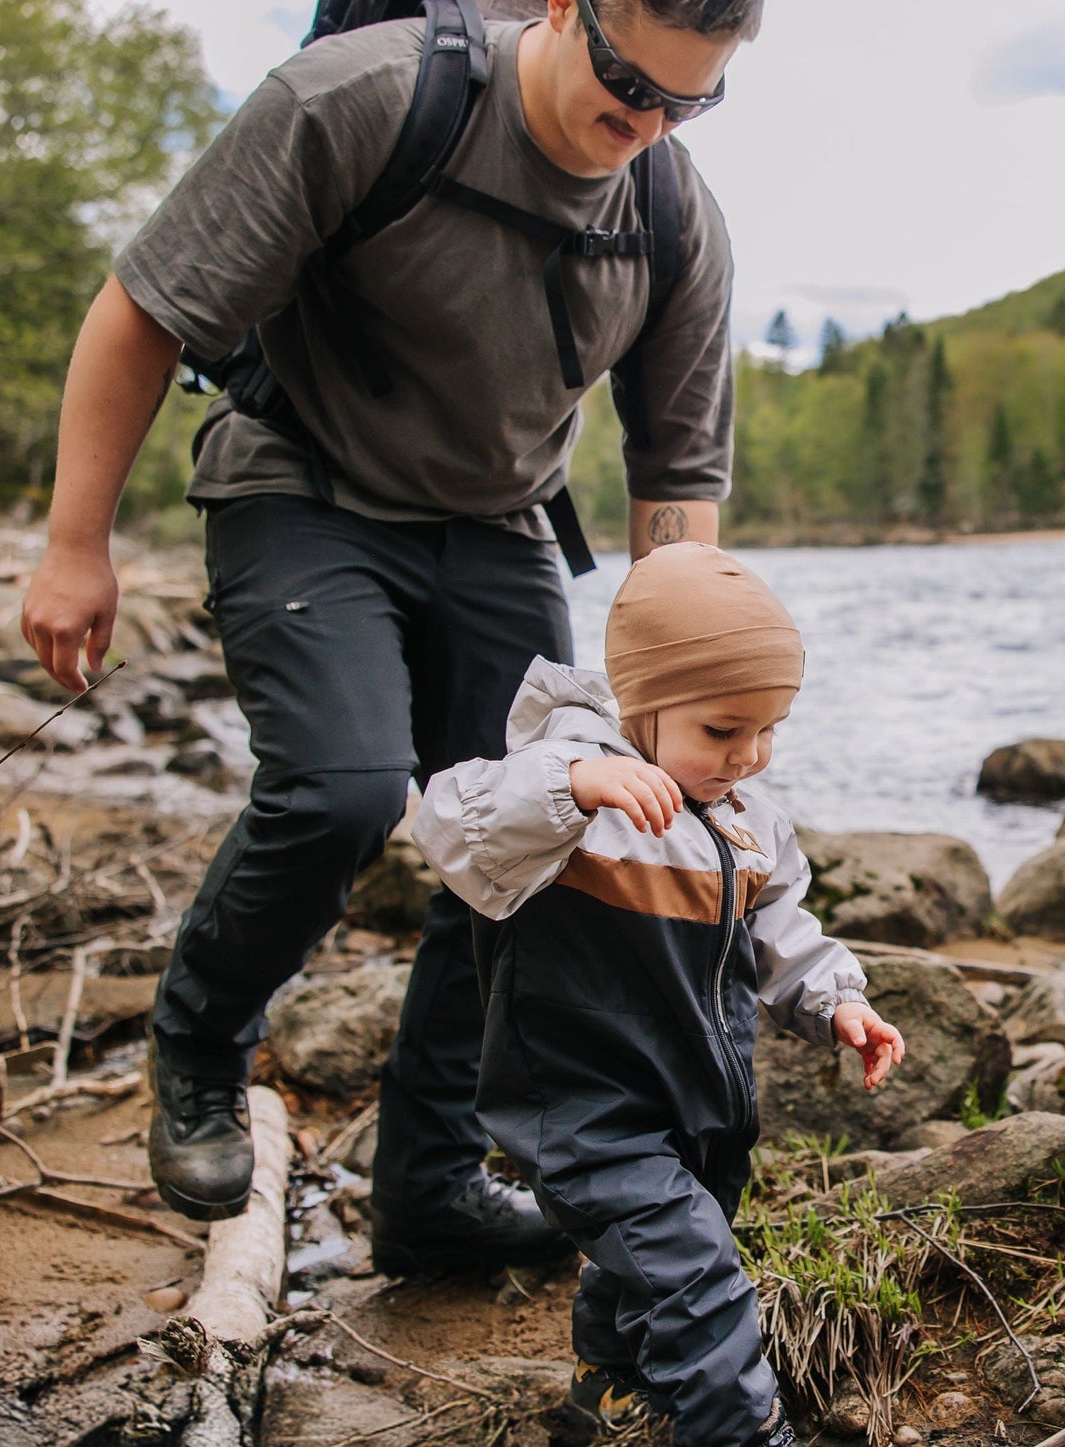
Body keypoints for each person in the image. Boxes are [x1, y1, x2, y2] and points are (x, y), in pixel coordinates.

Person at [18, 0, 758, 1271]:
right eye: (625, 82)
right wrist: (74, 545)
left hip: (499, 522)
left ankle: (426, 1189)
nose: (639, 125)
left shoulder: (672, 217)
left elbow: (676, 482)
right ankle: (199, 1043)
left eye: (684, 104)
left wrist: (673, 694)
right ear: (563, 11)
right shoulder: (358, 99)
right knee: (344, 788)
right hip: (303, 483)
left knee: (540, 831)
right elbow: (144, 309)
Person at [411, 542, 907, 1447]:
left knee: (643, 1262)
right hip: (584, 1109)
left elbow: (779, 927)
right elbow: (446, 816)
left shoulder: (746, 822)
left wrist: (837, 997)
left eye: (768, 729)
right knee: (697, 1275)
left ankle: (606, 1392)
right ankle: (741, 1430)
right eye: (722, 731)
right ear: (638, 701)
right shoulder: (566, 799)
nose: (748, 756)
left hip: (699, 1107)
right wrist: (571, 782)